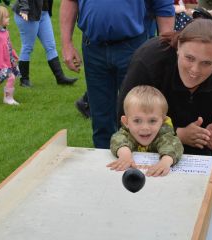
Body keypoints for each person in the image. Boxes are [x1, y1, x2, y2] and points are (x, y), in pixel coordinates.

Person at [118, 18, 212, 156]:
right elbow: (124, 119)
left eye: (206, 63)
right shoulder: (148, 62)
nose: (195, 70)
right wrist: (177, 134)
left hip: (201, 156)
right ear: (179, 46)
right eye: (189, 58)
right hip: (148, 155)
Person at [60, 0, 175, 149]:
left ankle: (138, 167)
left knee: (141, 112)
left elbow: (163, 6)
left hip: (133, 46)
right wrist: (66, 44)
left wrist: (163, 52)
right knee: (100, 117)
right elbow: (70, 1)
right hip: (93, 47)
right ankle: (105, 165)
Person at [108, 85, 184, 177]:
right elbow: (118, 138)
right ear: (126, 122)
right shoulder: (128, 133)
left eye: (152, 121)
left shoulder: (163, 134)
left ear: (162, 121)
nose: (145, 127)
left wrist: (166, 161)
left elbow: (174, 144)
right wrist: (125, 155)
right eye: (137, 121)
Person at [12, 0, 77, 87]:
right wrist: (24, 9)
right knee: (27, 47)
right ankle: (24, 80)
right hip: (28, 13)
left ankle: (60, 78)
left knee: (51, 46)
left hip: (44, 13)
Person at [0, 5, 20, 105]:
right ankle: (8, 98)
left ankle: (8, 98)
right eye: (6, 17)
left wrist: (13, 54)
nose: (8, 18)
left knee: (11, 77)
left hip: (7, 62)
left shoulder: (5, 32)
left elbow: (9, 45)